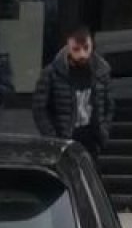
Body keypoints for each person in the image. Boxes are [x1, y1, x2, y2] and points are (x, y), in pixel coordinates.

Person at [33, 26, 114, 159]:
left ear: (92, 46)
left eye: (86, 48)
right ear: (68, 47)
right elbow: (39, 108)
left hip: (91, 137)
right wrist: (52, 137)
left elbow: (109, 105)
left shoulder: (101, 71)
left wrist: (103, 130)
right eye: (76, 49)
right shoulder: (52, 72)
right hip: (64, 137)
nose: (82, 54)